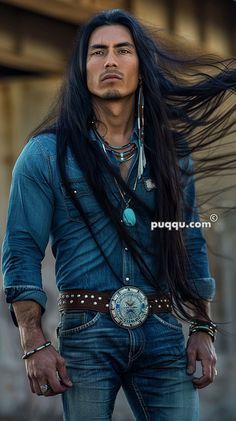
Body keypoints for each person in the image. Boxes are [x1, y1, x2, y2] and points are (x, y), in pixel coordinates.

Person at [2, 8, 235, 421]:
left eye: (122, 50)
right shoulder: (44, 156)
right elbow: (21, 248)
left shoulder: (172, 154)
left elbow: (188, 237)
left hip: (163, 330)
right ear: (82, 71)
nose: (110, 60)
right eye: (98, 52)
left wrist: (202, 326)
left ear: (141, 68)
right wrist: (32, 340)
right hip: (86, 332)